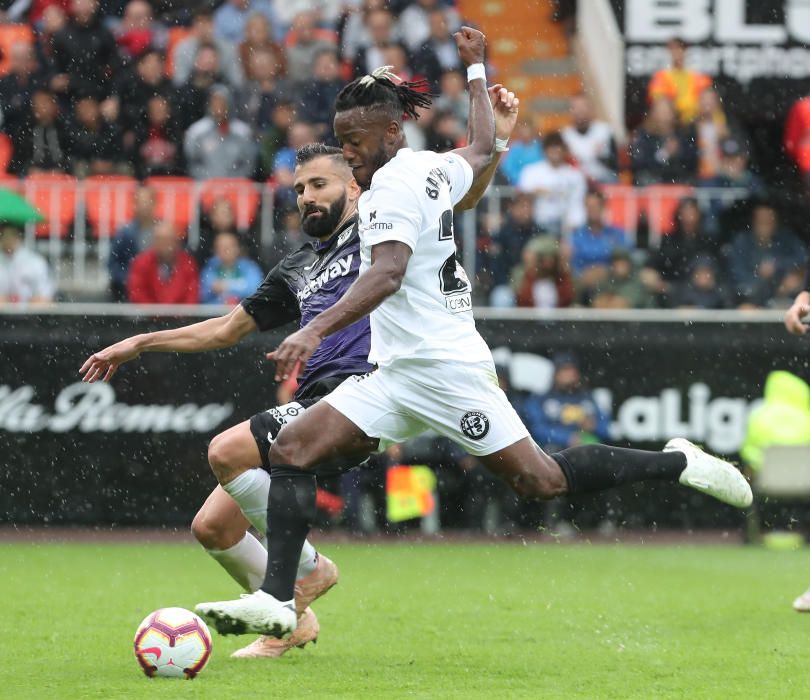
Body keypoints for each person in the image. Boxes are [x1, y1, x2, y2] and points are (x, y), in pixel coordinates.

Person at [187, 28, 750, 640]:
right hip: (396, 373)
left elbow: (388, 273)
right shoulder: (429, 168)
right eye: (343, 140)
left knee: (542, 480)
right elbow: (482, 148)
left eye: (356, 140)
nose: (348, 151)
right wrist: (478, 69)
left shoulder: (393, 189)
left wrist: (311, 330)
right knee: (293, 447)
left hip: (449, 369)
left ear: (392, 134)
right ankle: (277, 598)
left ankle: (677, 462)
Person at [79, 87, 523, 654]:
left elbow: (457, 200)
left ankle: (299, 581)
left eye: (320, 185)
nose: (307, 198)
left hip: (363, 392)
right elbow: (224, 329)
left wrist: (496, 145)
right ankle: (296, 621)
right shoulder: (298, 265)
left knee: (226, 451)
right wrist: (141, 342)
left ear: (356, 184)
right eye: (298, 190)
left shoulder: (384, 228)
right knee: (213, 527)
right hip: (317, 398)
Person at [727, 203, 806, 307]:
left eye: (769, 220)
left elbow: (803, 258)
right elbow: (738, 278)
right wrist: (760, 279)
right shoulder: (742, 242)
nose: (765, 224)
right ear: (753, 222)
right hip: (750, 299)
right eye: (761, 221)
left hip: (784, 299)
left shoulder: (786, 238)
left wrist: (778, 265)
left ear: (776, 222)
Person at [517, 131, 587, 236]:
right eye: (551, 147)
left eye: (558, 147)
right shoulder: (530, 172)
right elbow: (521, 202)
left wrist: (574, 224)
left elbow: (577, 203)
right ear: (544, 150)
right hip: (535, 225)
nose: (555, 151)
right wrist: (533, 193)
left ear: (564, 150)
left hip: (566, 226)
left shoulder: (575, 176)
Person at [183, 85, 257, 180]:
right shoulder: (196, 132)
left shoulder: (242, 132)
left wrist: (232, 180)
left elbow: (249, 164)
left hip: (236, 188)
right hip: (204, 186)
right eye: (215, 103)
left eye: (222, 103)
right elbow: (190, 162)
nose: (218, 107)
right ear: (209, 105)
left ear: (229, 104)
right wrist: (208, 179)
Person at [126, 220, 200, 304]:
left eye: (168, 239)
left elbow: (192, 294)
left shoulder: (188, 263)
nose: (164, 244)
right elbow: (137, 293)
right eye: (160, 239)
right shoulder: (141, 262)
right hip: (147, 316)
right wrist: (155, 313)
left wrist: (178, 313)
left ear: (176, 241)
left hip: (182, 316)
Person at [647, 37, 711, 125]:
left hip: (695, 122)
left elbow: (709, 104)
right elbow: (658, 103)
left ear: (685, 52)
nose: (677, 53)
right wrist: (685, 108)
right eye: (673, 49)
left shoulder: (698, 77)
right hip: (670, 123)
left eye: (680, 49)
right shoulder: (660, 77)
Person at [561, 94, 618, 184]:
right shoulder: (565, 135)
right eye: (575, 107)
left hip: (603, 180)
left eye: (583, 106)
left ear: (591, 109)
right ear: (570, 111)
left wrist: (601, 157)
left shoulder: (605, 131)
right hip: (575, 181)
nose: (580, 111)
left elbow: (616, 163)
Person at [200, 231, 263, 305]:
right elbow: (203, 293)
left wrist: (225, 286)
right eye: (220, 247)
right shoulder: (210, 268)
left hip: (243, 313)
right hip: (215, 314)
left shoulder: (249, 267)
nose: (225, 250)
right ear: (215, 250)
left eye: (229, 246)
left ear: (237, 248)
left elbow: (255, 290)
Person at [0, 223, 55, 304]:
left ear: (19, 237)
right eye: (4, 235)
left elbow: (45, 296)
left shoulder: (35, 262)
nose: (8, 239)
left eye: (12, 235)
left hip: (31, 314)